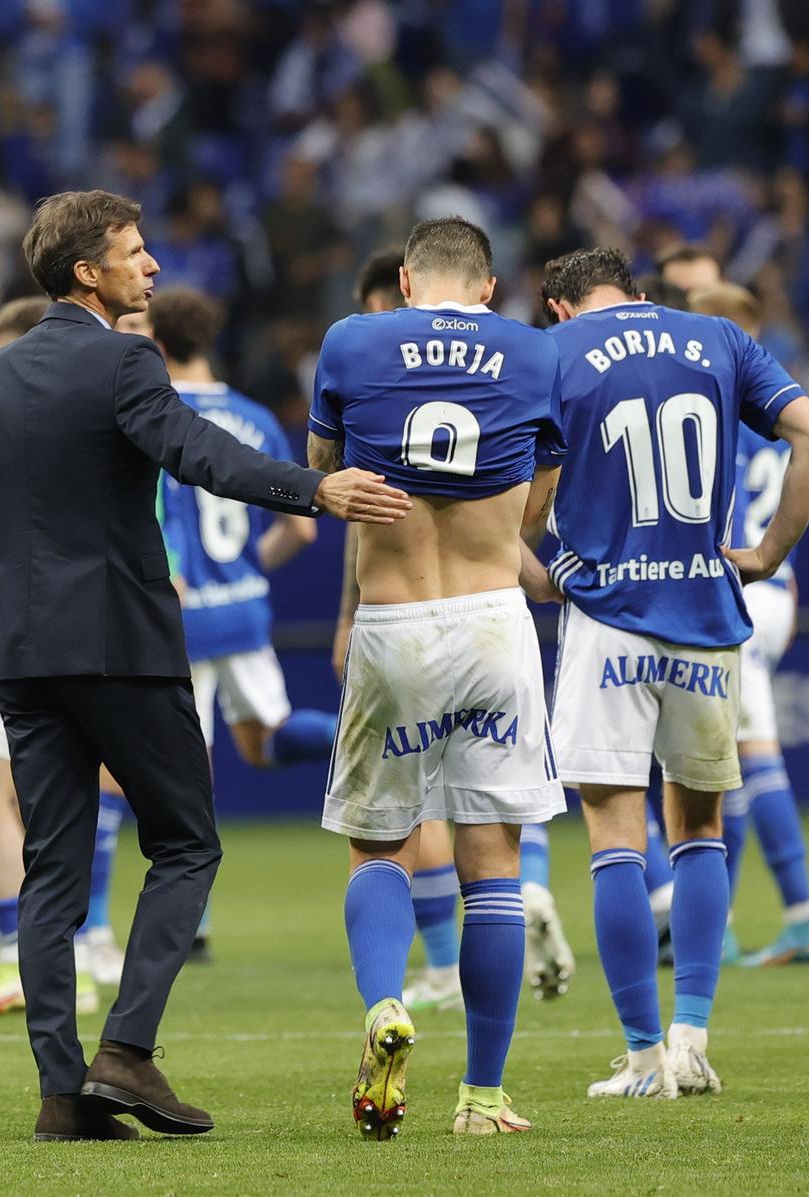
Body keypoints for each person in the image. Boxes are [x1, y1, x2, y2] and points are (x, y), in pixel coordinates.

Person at [0, 189, 409, 1143]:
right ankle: (128, 1051)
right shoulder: (123, 359)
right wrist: (317, 488)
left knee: (50, 871)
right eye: (134, 253)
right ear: (85, 274)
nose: (151, 267)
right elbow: (197, 454)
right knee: (186, 843)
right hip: (121, 645)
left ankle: (63, 1095)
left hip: (22, 656)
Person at [539, 247, 809, 1099]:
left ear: (560, 308)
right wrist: (770, 553)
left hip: (609, 620)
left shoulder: (553, 353)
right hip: (707, 618)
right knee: (700, 828)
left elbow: (525, 505)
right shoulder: (718, 336)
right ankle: (692, 1040)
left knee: (614, 837)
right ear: (637, 291)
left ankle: (640, 1060)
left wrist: (553, 567)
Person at [311, 218, 567, 1139]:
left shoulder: (351, 340)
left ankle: (385, 1003)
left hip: (393, 618)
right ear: (491, 287)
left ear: (409, 282)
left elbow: (324, 477)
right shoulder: (537, 353)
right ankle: (484, 1096)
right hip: (496, 615)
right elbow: (543, 494)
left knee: (380, 846)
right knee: (492, 860)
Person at [0, 295, 120, 1019]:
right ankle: (64, 948)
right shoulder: (88, 428)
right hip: (71, 631)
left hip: (21, 635)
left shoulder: (9, 429)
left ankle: (40, 956)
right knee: (42, 800)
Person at [118, 289, 334, 768]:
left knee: (181, 762)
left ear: (156, 342)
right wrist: (244, 570)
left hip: (179, 611)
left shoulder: (151, 419)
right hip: (244, 609)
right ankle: (361, 735)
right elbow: (300, 531)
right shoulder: (258, 419)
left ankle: (189, 846)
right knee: (264, 744)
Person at [688, 282, 809, 967]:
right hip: (777, 586)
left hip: (736, 583)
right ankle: (735, 917)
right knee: (736, 757)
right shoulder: (782, 402)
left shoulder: (715, 399)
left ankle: (796, 914)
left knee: (741, 757)